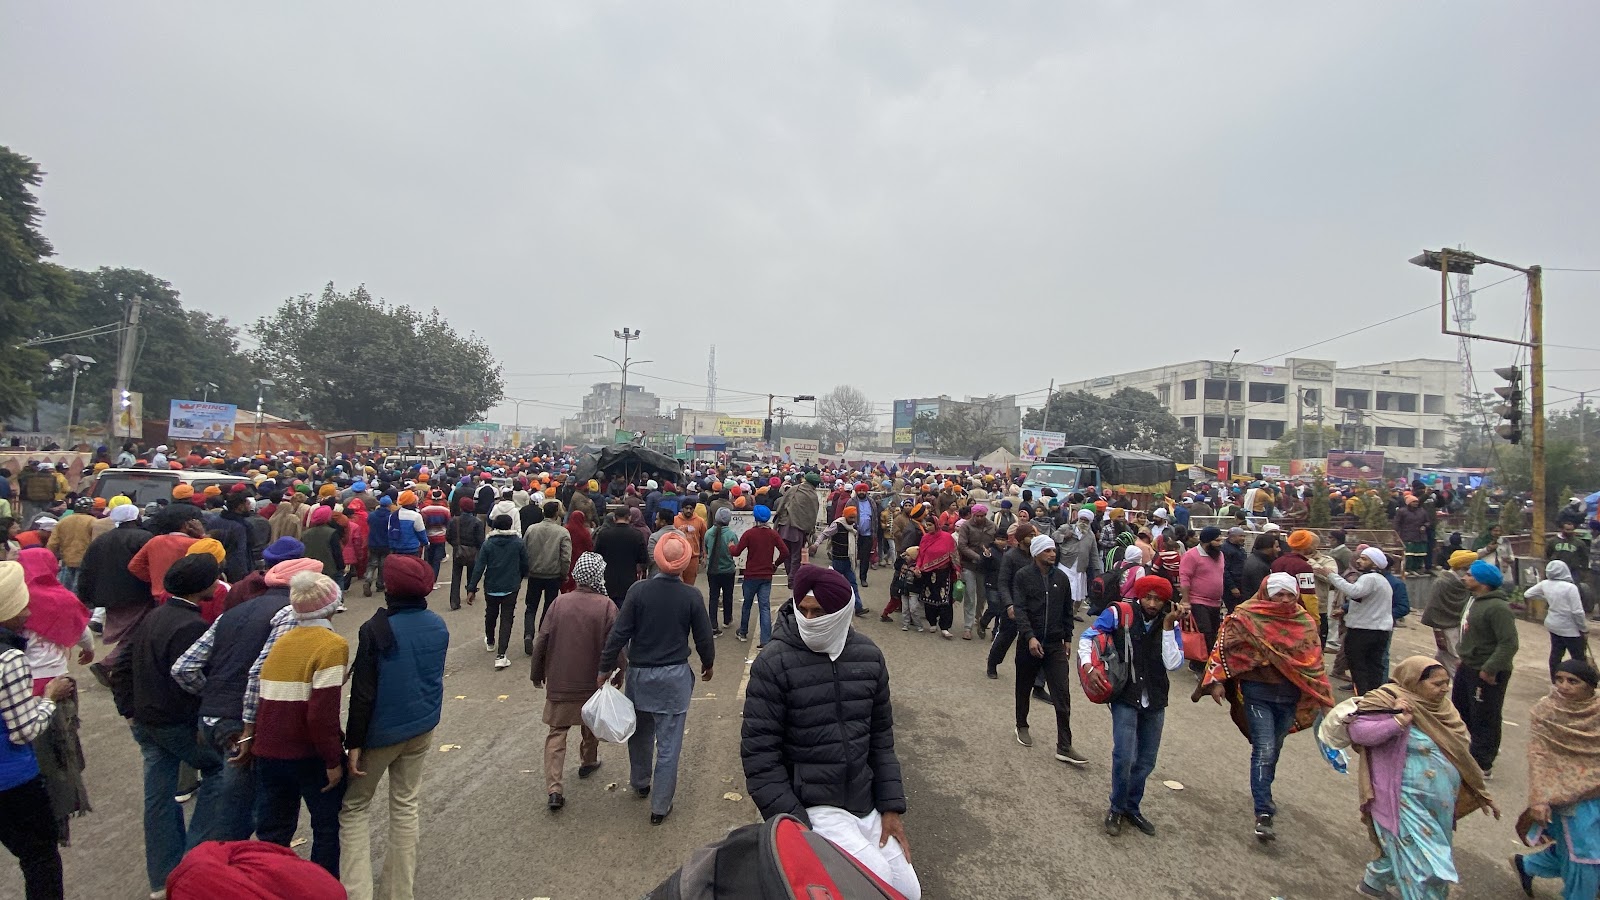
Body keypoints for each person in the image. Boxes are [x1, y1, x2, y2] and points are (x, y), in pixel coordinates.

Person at [740, 564, 918, 899]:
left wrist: (892, 807)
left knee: (909, 890)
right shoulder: (774, 663)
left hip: (866, 801)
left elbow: (881, 739)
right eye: (803, 610)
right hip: (813, 807)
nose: (809, 619)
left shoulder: (869, 657)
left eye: (819, 611)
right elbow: (760, 757)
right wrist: (794, 825)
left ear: (841, 612)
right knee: (873, 886)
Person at [110, 554, 226, 895]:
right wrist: (200, 725)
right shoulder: (191, 626)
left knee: (158, 798)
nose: (218, 584)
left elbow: (121, 666)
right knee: (220, 774)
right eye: (214, 578)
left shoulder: (154, 616)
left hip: (146, 721)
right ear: (202, 586)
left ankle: (162, 878)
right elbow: (190, 682)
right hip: (175, 723)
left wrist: (129, 711)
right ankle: (192, 865)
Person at [339, 555, 448, 900]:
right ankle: (399, 892)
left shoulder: (376, 630)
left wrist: (354, 741)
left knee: (354, 808)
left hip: (380, 733)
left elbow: (363, 692)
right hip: (422, 726)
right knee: (405, 803)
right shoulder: (437, 625)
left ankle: (357, 892)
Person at [1196, 572, 1334, 841]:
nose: (1283, 600)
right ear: (1266, 594)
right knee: (1265, 747)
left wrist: (1324, 698)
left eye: (1289, 595)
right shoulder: (1245, 616)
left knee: (1275, 746)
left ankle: (1264, 790)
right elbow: (1225, 647)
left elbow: (1313, 661)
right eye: (1278, 595)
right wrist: (1217, 682)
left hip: (1290, 695)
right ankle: (1263, 811)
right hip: (1257, 691)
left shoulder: (1304, 621)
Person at [1348, 656, 1497, 899]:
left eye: (1446, 683)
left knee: (1410, 848)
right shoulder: (1386, 701)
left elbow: (1461, 756)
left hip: (1439, 804)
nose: (1444, 689)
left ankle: (1373, 883)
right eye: (1436, 684)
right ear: (1413, 682)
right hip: (1403, 799)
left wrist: (1481, 791)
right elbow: (1358, 731)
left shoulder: (1444, 710)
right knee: (1426, 863)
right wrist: (1397, 722)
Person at [598, 530, 714, 825]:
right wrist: (708, 663)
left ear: (656, 558)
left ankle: (640, 782)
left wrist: (605, 667)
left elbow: (619, 633)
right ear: (685, 562)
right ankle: (660, 806)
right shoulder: (691, 595)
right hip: (674, 675)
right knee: (669, 742)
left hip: (641, 673)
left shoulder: (638, 592)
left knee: (640, 733)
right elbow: (703, 636)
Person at [245, 572, 350, 877]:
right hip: (308, 753)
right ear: (332, 605)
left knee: (274, 832)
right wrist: (332, 759)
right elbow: (322, 714)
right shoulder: (331, 645)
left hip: (269, 749)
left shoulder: (282, 641)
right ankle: (322, 885)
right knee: (327, 827)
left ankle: (272, 884)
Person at [1080, 575, 1184, 837]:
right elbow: (1088, 636)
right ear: (1139, 596)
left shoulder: (1169, 623)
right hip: (1126, 695)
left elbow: (1173, 663)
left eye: (1157, 599)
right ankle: (1116, 807)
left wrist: (1170, 627)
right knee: (1124, 756)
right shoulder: (1120, 613)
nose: (1151, 603)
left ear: (1165, 601)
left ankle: (1131, 807)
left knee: (1147, 760)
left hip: (1156, 699)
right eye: (1147, 597)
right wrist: (1089, 666)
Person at [0, 560, 73, 900]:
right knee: (40, 856)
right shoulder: (10, 658)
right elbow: (23, 730)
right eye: (20, 606)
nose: (28, 613)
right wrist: (49, 698)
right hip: (11, 779)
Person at [530, 552, 619, 812]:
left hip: (560, 679)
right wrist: (620, 671)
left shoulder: (558, 604)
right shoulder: (607, 606)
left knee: (557, 732)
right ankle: (588, 761)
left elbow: (542, 640)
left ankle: (554, 788)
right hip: (592, 680)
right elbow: (615, 646)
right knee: (589, 723)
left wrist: (537, 673)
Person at [1512, 659, 1600, 900]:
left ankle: (1528, 866)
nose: (1563, 686)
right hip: (1568, 798)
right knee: (1584, 856)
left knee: (1586, 852)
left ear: (1590, 686)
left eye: (1573, 681)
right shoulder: (1547, 711)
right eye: (1559, 679)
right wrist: (1539, 800)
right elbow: (1539, 756)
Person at [1012, 534, 1088, 766]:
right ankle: (1022, 725)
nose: (1052, 554)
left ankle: (1064, 745)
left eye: (1053, 550)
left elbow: (1067, 611)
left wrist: (1067, 638)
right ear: (1036, 553)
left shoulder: (1062, 579)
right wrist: (1030, 637)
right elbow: (1020, 609)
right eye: (1047, 551)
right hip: (1030, 643)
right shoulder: (1023, 576)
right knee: (1023, 687)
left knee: (1062, 694)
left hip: (1055, 645)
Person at [1454, 559, 1519, 778]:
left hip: (1486, 671)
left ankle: (1483, 763)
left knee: (1486, 716)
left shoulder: (1498, 608)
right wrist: (1463, 656)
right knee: (1462, 711)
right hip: (1468, 666)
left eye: (1470, 575)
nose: (1465, 577)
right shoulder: (1474, 601)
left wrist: (1490, 668)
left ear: (1483, 581)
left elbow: (1509, 643)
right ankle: (1470, 752)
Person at [1327, 547, 1395, 695]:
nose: (1359, 561)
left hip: (1363, 630)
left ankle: (1364, 697)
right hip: (1378, 630)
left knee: (1359, 666)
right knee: (1373, 667)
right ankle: (1373, 696)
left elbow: (1354, 592)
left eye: (1364, 559)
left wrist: (1332, 576)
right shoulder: (1381, 580)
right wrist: (1345, 609)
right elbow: (1361, 599)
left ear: (1375, 564)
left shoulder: (1369, 578)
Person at [467, 514, 530, 670]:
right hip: (511, 585)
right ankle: (501, 655)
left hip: (492, 584)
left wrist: (471, 588)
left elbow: (479, 566)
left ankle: (490, 640)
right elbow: (525, 563)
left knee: (491, 613)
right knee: (507, 618)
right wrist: (520, 577)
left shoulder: (488, 544)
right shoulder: (518, 543)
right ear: (510, 525)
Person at [730, 505, 785, 648]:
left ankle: (743, 632)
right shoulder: (773, 534)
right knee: (764, 607)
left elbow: (736, 552)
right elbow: (785, 552)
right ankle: (765, 640)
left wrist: (730, 546)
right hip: (766, 575)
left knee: (747, 604)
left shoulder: (749, 534)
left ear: (755, 518)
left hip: (750, 575)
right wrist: (775, 564)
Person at [1525, 560, 1590, 679]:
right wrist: (1583, 628)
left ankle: (1556, 680)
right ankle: (1581, 681)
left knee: (1556, 653)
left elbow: (1528, 594)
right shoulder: (1570, 588)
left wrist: (1547, 598)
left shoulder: (1545, 584)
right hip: (1570, 628)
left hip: (1553, 624)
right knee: (1578, 657)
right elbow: (1577, 611)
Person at [1178, 526, 1226, 672]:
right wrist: (1186, 601)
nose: (1220, 543)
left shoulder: (1220, 555)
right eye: (1217, 540)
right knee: (1205, 632)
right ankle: (1199, 664)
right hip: (1198, 601)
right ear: (1207, 542)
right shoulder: (1191, 555)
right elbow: (1185, 578)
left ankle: (1206, 662)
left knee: (1214, 632)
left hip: (1215, 602)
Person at [523, 500, 572, 643]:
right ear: (557, 514)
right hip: (553, 575)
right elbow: (565, 557)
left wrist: (526, 569)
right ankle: (542, 636)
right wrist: (564, 574)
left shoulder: (532, 529)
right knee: (549, 606)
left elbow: (524, 550)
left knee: (531, 606)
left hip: (534, 573)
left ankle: (528, 634)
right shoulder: (562, 532)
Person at [1422, 550, 1475, 674]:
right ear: (1463, 567)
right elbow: (1434, 608)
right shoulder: (1442, 582)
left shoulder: (1467, 584)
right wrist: (1438, 632)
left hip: (1461, 626)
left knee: (1444, 660)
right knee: (1455, 660)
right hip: (1446, 627)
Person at [813, 508, 868, 616]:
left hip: (848, 560)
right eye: (850, 517)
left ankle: (858, 607)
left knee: (853, 584)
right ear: (845, 516)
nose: (853, 519)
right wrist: (816, 544)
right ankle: (828, 606)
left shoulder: (854, 527)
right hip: (838, 560)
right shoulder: (837, 525)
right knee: (834, 584)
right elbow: (824, 534)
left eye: (854, 517)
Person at [592, 503, 648, 607]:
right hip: (628, 579)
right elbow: (643, 559)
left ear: (614, 518)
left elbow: (596, 556)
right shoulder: (637, 535)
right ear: (629, 517)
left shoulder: (604, 534)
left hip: (608, 579)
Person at [955, 504, 996, 641]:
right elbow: (962, 545)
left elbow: (996, 543)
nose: (979, 518)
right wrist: (977, 557)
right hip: (969, 565)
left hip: (985, 568)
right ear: (973, 515)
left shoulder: (991, 526)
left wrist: (990, 554)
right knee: (970, 596)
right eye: (977, 516)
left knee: (983, 595)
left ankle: (979, 619)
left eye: (982, 516)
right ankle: (968, 627)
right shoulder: (966, 526)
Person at [773, 474, 821, 578]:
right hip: (798, 530)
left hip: (783, 526)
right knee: (796, 557)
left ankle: (790, 576)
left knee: (786, 554)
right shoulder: (813, 496)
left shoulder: (793, 489)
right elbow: (812, 515)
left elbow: (781, 506)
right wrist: (810, 531)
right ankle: (793, 580)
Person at [702, 508, 737, 637]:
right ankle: (727, 619)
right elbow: (735, 550)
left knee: (713, 597)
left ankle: (713, 624)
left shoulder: (708, 533)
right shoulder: (731, 534)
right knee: (728, 595)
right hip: (728, 570)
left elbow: (706, 548)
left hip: (712, 570)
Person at [444, 498, 484, 612]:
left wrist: (456, 545)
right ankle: (470, 593)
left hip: (458, 550)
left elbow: (448, 537)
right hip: (472, 551)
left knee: (456, 575)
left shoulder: (454, 521)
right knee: (471, 573)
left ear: (461, 507)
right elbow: (481, 540)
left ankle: (454, 601)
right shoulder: (477, 522)